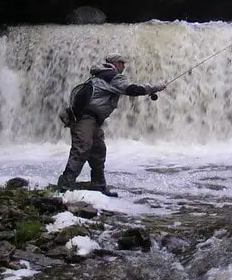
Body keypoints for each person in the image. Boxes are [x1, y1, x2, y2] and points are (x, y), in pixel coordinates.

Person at [57, 53, 166, 195]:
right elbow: (132, 89)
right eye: (122, 63)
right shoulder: (111, 76)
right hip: (85, 119)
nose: (124, 66)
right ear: (116, 63)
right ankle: (65, 185)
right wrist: (156, 87)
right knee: (82, 148)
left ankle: (98, 185)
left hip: (93, 120)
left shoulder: (101, 75)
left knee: (98, 151)